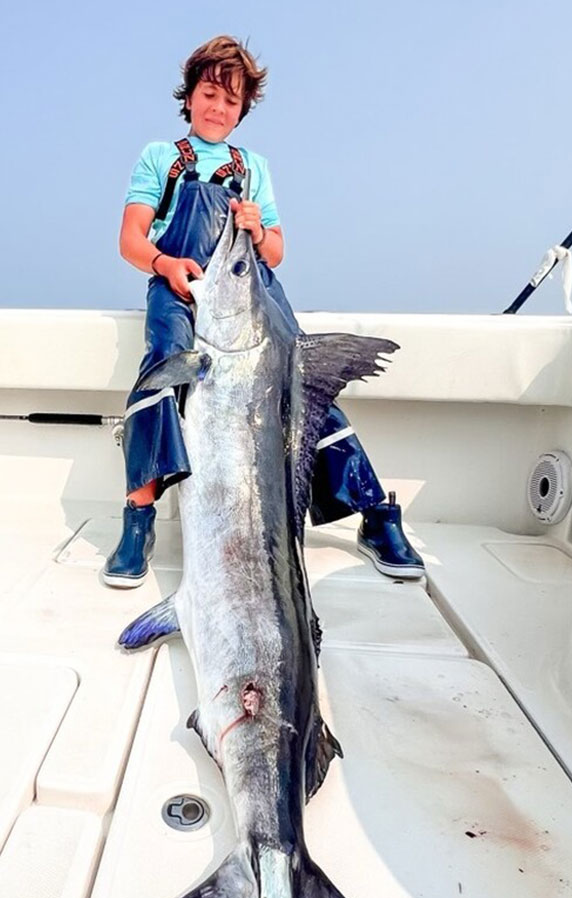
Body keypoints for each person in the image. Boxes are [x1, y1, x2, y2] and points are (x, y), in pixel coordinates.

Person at [104, 36, 422, 587]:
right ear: (189, 97)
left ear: (243, 110)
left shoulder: (253, 167)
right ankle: (138, 520)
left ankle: (374, 513)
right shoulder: (160, 157)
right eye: (209, 94)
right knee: (160, 373)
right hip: (179, 286)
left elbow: (275, 251)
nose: (217, 108)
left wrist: (257, 228)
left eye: (231, 102)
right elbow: (131, 240)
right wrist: (164, 263)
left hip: (252, 294)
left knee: (303, 386)